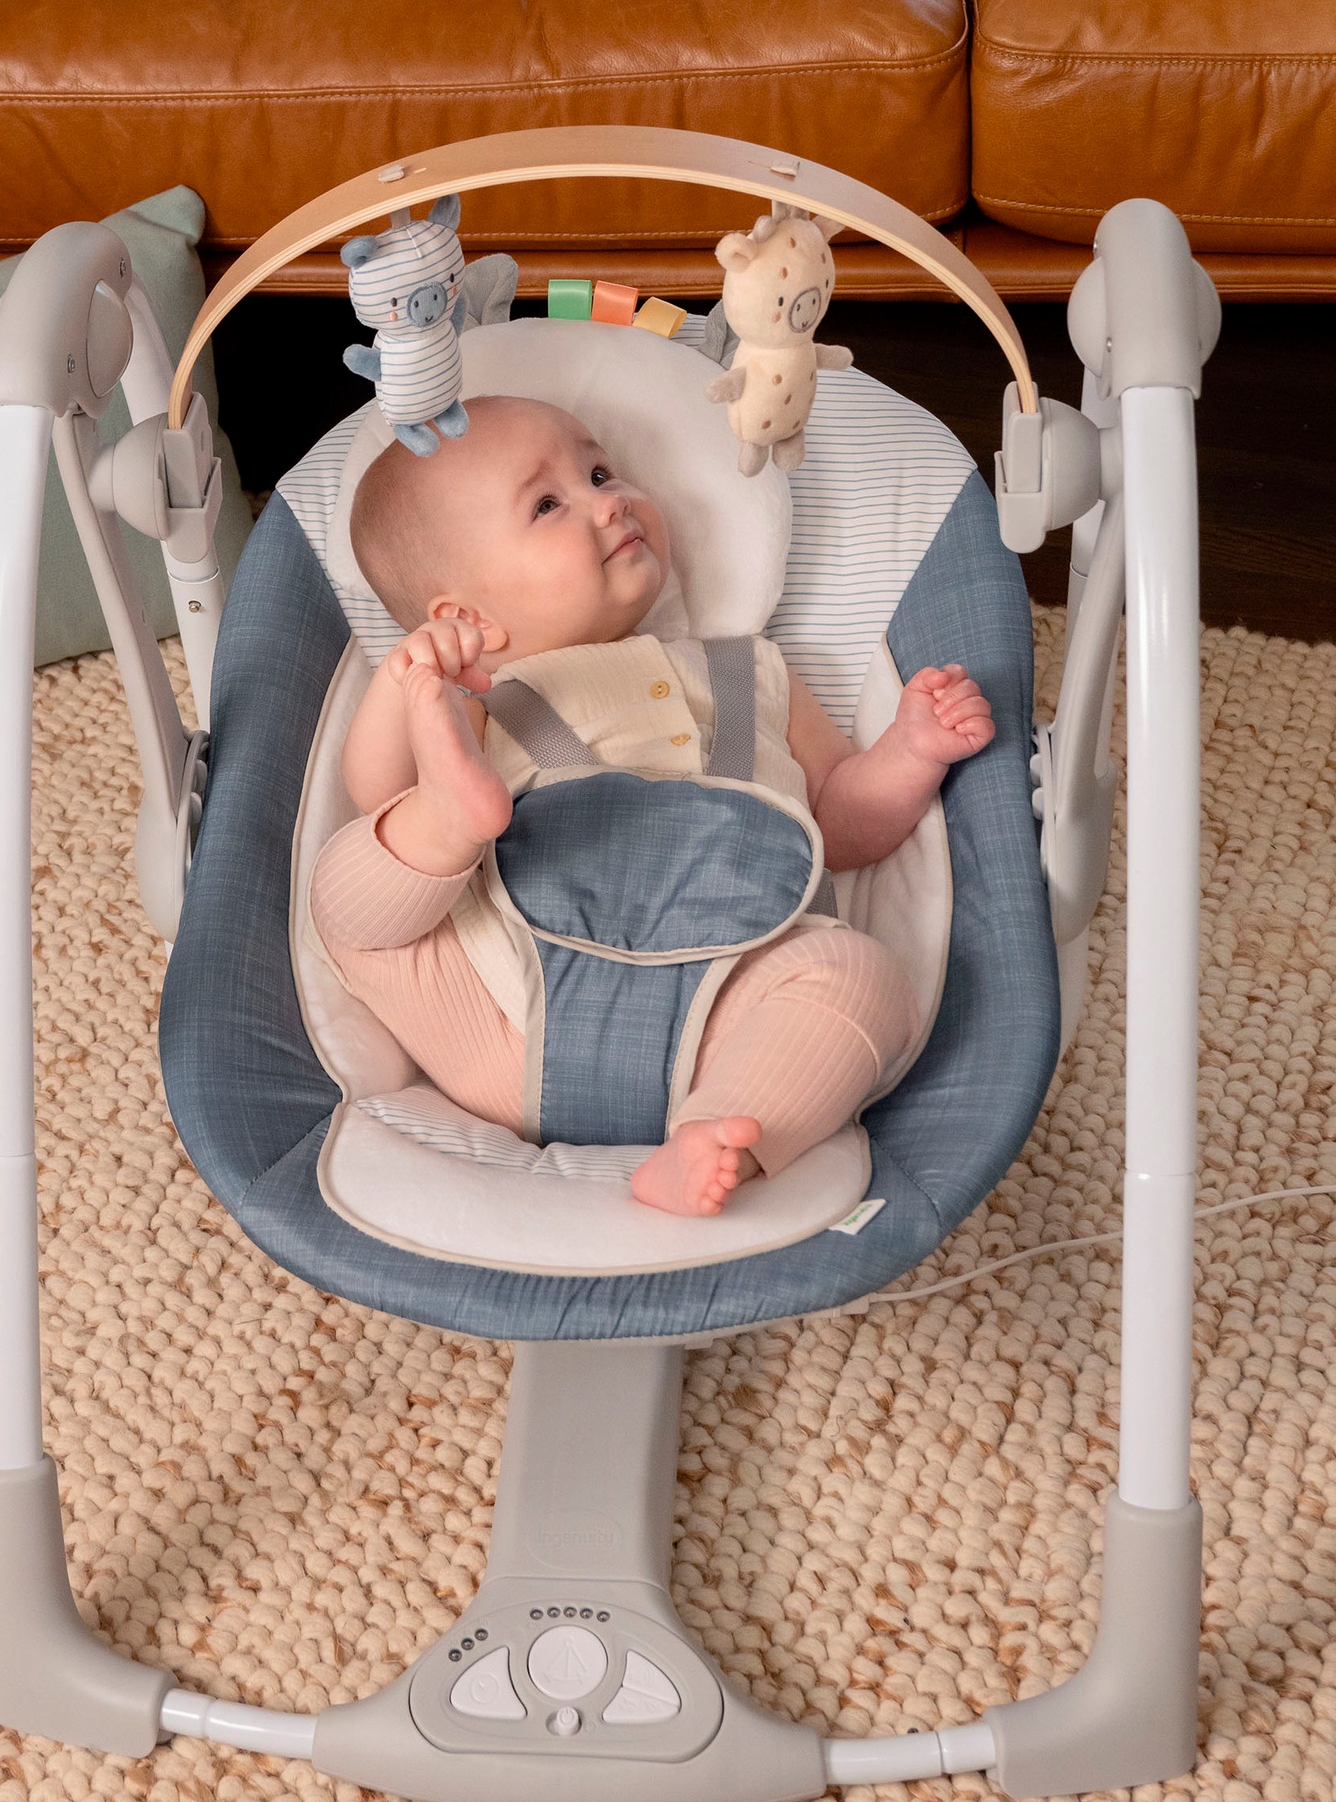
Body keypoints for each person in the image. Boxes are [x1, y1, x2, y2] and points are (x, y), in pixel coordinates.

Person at [313, 396, 994, 1217]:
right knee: (349, 889)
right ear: (466, 619)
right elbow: (375, 786)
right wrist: (410, 683)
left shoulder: (750, 672)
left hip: (724, 1018)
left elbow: (839, 824)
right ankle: (450, 818)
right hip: (506, 1013)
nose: (610, 502)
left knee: (864, 981)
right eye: (548, 504)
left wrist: (911, 752)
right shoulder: (477, 699)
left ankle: (716, 1138)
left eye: (601, 473)